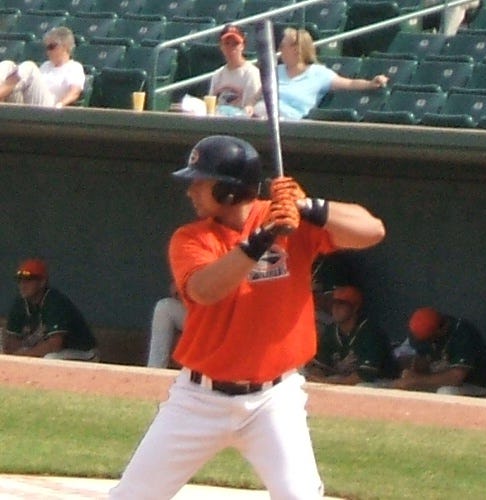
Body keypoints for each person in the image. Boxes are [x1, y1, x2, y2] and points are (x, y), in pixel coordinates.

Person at [109, 134, 386, 499]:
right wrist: (261, 239)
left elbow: (372, 231)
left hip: (274, 400)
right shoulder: (191, 237)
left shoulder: (289, 218)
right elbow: (206, 290)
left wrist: (309, 207)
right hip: (198, 400)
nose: (190, 190)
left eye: (199, 181)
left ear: (227, 190)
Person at [251, 27, 389, 120]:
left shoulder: (319, 73)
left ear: (296, 49)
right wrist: (248, 106)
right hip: (261, 117)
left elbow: (349, 83)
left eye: (283, 46)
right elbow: (257, 96)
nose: (280, 50)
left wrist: (371, 83)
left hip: (290, 121)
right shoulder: (276, 71)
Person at [3, 258, 99, 361]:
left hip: (82, 352)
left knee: (49, 358)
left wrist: (24, 355)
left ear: (42, 282)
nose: (23, 285)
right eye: (20, 280)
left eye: (28, 280)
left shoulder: (54, 301)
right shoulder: (20, 302)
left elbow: (55, 344)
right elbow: (11, 341)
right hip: (54, 352)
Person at [305, 285, 399, 386]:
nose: (336, 308)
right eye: (334, 303)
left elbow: (363, 376)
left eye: (341, 304)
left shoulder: (371, 332)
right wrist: (316, 376)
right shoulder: (331, 331)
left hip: (382, 382)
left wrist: (325, 382)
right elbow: (319, 366)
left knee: (361, 386)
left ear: (355, 308)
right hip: (343, 379)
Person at [391, 307, 486, 397]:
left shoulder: (463, 334)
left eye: (430, 338)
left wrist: (416, 380)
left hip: (474, 386)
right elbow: (413, 359)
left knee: (446, 392)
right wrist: (410, 370)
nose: (427, 342)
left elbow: (455, 378)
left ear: (442, 329)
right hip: (438, 381)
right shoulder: (422, 332)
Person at [0, 26, 85, 107]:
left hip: (49, 108)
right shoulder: (46, 65)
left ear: (65, 46)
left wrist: (60, 105)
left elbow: (75, 92)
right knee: (8, 65)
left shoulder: (74, 67)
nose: (48, 51)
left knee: (29, 67)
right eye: (47, 47)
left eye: (51, 47)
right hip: (29, 104)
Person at [208, 24, 261, 117]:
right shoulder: (217, 75)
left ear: (242, 46)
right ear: (221, 46)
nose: (231, 48)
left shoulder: (252, 74)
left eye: (235, 44)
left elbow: (250, 109)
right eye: (227, 43)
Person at [146, 281, 186, 369]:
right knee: (164, 307)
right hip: (197, 315)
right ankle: (155, 371)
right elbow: (175, 288)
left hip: (217, 320)